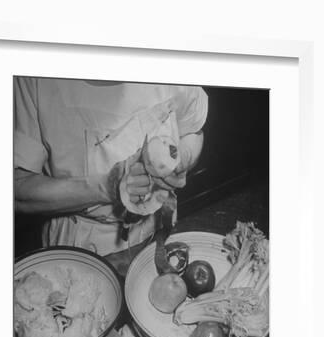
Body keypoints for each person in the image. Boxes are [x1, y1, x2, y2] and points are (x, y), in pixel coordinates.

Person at [14, 78, 208, 257]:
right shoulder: (33, 79)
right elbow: (17, 190)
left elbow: (192, 130)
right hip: (82, 248)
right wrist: (105, 188)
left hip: (160, 231)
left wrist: (183, 158)